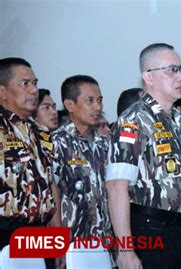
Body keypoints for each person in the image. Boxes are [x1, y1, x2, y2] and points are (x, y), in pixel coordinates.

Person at [106, 43, 181, 269]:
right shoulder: (134, 120)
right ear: (148, 77)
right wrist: (125, 249)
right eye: (171, 70)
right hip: (151, 230)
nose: (180, 77)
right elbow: (116, 187)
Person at [0, 57, 62, 266]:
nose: (34, 90)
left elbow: (50, 184)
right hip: (5, 234)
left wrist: (58, 238)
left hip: (39, 232)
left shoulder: (41, 132)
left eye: (35, 83)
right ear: (2, 91)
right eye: (24, 83)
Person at [52, 75, 111, 241]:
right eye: (90, 101)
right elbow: (52, 193)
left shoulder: (106, 144)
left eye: (99, 100)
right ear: (70, 105)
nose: (97, 107)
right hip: (74, 239)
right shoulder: (57, 143)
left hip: (108, 240)